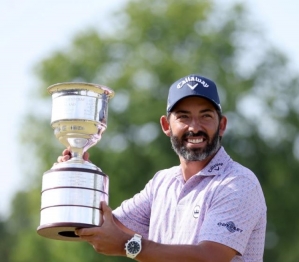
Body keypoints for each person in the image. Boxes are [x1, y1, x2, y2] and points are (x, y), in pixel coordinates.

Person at [57, 74, 267, 262]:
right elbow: (107, 226)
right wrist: (75, 179)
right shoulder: (162, 183)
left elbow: (210, 258)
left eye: (206, 116)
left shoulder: (238, 183)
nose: (194, 127)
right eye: (183, 116)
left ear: (221, 125)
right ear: (166, 126)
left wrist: (126, 246)